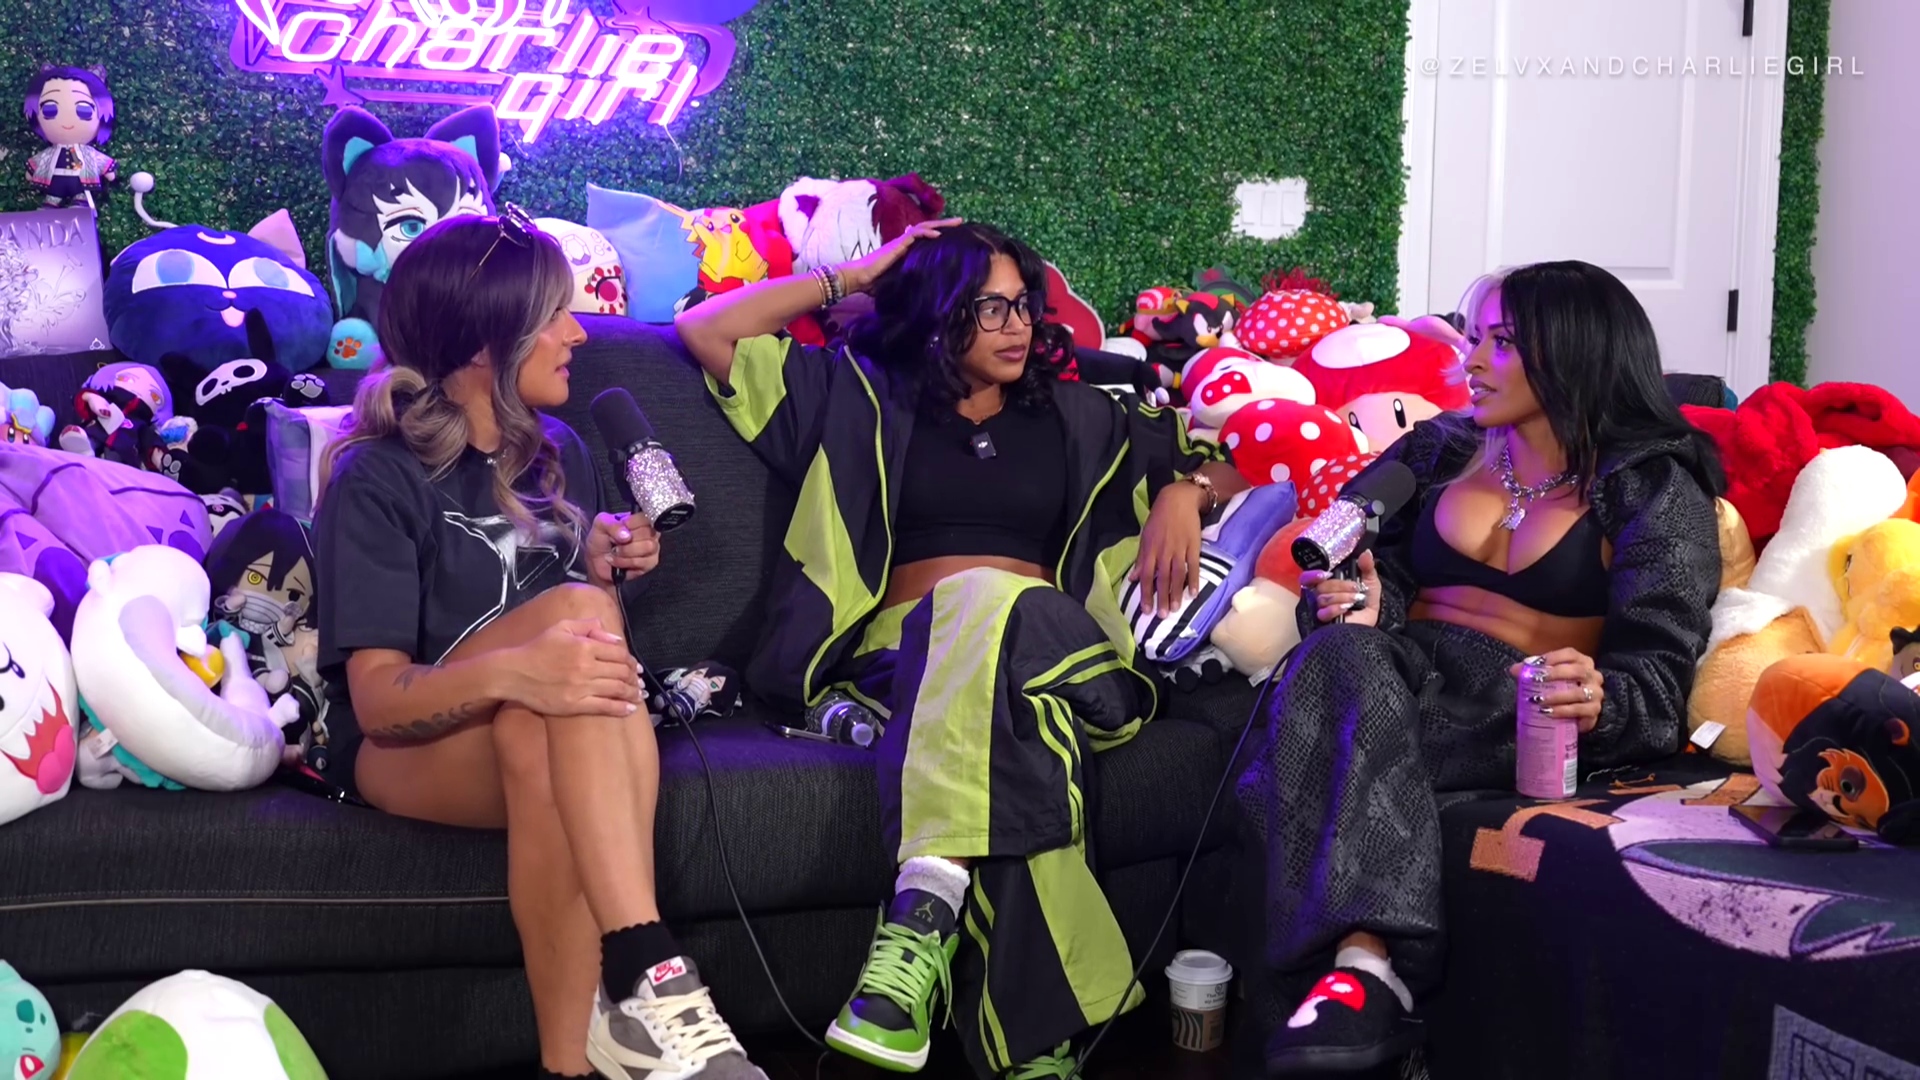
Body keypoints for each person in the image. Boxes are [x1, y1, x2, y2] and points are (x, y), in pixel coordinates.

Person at [676, 221, 1249, 1078]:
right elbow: (706, 330)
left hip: (1067, 653)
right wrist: (855, 276)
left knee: (986, 599)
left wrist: (1184, 491)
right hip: (905, 669)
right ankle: (1038, 1049)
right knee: (1019, 736)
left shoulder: (1081, 415)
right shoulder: (855, 399)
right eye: (989, 308)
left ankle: (923, 911)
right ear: (937, 314)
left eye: (1023, 305)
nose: (1017, 326)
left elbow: (1237, 462)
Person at [314, 209, 765, 1080]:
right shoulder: (377, 477)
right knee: (568, 634)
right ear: (488, 342)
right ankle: (649, 963)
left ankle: (571, 1063)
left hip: (526, 732)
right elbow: (377, 703)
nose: (579, 332)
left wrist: (601, 572)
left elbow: (579, 669)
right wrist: (529, 657)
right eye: (556, 313)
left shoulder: (558, 453)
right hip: (398, 749)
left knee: (542, 716)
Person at [1242, 261, 1724, 1074]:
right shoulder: (1437, 448)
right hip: (1388, 674)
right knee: (1334, 660)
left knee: (1295, 756)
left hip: (1514, 710)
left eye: (1501, 343)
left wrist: (1601, 700)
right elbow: (1362, 569)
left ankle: (1355, 980)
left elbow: (1659, 680)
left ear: (1574, 350)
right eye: (1474, 338)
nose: (1470, 361)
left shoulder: (1652, 486)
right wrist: (1362, 602)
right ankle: (1364, 974)